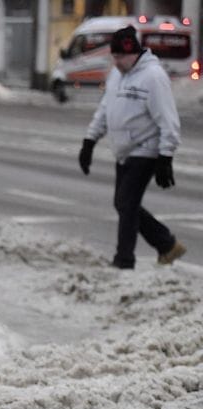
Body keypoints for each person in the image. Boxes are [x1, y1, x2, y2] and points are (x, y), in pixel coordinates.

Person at [79, 25, 186, 269]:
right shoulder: (117, 75)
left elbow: (168, 119)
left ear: (133, 53)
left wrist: (165, 156)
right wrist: (90, 141)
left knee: (126, 203)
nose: (115, 62)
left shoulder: (153, 77)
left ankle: (124, 260)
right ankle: (166, 245)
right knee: (123, 203)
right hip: (124, 151)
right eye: (113, 57)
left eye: (120, 57)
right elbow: (106, 110)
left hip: (145, 150)